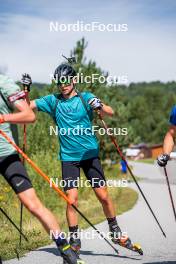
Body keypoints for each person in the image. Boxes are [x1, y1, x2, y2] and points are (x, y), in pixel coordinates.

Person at [30, 63, 138, 255]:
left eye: (65, 81)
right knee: (72, 200)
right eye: (58, 82)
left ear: (74, 80)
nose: (62, 85)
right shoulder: (53, 101)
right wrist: (23, 92)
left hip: (90, 156)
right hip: (69, 158)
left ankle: (115, 231)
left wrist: (100, 106)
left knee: (103, 196)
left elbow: (109, 112)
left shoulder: (85, 97)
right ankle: (74, 241)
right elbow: (28, 105)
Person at [0, 73, 85, 264]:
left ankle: (66, 250)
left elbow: (29, 115)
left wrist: (3, 118)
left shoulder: (3, 83)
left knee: (32, 205)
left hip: (6, 152)